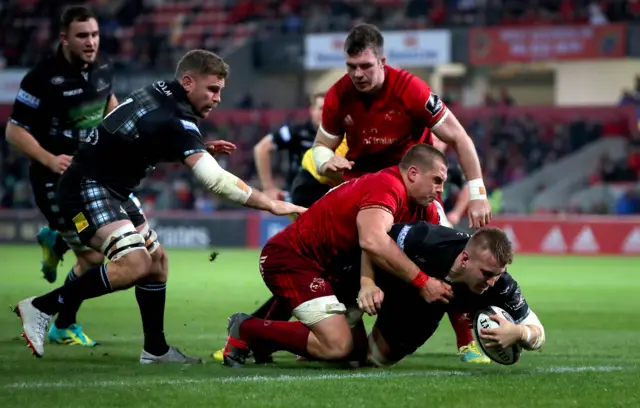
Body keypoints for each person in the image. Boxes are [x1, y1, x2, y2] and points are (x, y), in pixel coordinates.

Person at [13, 49, 305, 363]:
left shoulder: (159, 92)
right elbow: (216, 181)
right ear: (189, 82)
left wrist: (195, 148)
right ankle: (41, 307)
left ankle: (155, 350)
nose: (218, 98)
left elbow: (141, 139)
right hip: (86, 186)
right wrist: (271, 204)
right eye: (213, 89)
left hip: (112, 188)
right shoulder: (176, 118)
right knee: (135, 264)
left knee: (157, 262)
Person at [222, 144, 452, 368]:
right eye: (437, 180)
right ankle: (246, 328)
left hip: (332, 271)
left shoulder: (425, 208)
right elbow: (372, 240)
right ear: (413, 173)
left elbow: (401, 248)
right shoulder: (387, 185)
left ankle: (276, 341)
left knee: (355, 355)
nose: (441, 189)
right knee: (337, 346)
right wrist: (420, 282)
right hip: (293, 259)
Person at [5, 6, 121, 347]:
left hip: (90, 176)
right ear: (64, 38)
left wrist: (120, 128)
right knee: (93, 258)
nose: (90, 42)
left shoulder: (103, 67)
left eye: (95, 35)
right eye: (82, 36)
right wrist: (49, 159)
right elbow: (14, 131)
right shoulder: (42, 77)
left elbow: (108, 102)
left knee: (99, 253)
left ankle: (55, 241)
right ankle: (62, 325)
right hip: (52, 180)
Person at [357, 223, 545, 367]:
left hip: (423, 307)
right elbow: (374, 240)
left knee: (373, 359)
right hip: (390, 276)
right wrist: (367, 282)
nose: (491, 282)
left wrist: (520, 332)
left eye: (498, 275)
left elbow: (538, 333)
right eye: (486, 273)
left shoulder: (502, 286)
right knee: (337, 347)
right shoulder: (428, 239)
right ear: (464, 259)